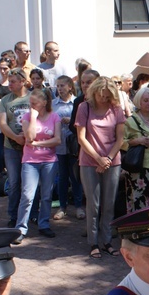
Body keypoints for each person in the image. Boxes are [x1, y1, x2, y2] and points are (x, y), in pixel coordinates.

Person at [76, 76, 126, 259]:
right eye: (101, 95)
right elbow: (81, 138)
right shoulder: (84, 107)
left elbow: (120, 138)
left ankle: (107, 241)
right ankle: (93, 242)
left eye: (107, 96)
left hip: (112, 161)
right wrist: (98, 159)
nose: (104, 99)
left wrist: (108, 158)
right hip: (89, 161)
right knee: (93, 204)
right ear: (94, 92)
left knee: (109, 204)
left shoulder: (116, 109)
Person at [13, 88, 61, 244]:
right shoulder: (27, 117)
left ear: (44, 102)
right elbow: (30, 137)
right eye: (30, 103)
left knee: (46, 195)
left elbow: (57, 140)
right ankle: (20, 228)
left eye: (35, 103)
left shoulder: (54, 117)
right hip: (30, 161)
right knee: (27, 195)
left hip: (49, 160)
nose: (31, 105)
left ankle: (44, 224)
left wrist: (39, 143)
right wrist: (33, 118)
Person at [0, 68, 32, 227]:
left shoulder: (33, 97)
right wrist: (16, 138)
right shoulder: (5, 100)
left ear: (23, 81)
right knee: (14, 182)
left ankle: (32, 214)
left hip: (32, 147)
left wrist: (29, 138)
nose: (9, 84)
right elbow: (3, 124)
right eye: (9, 81)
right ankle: (13, 215)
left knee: (30, 183)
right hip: (11, 147)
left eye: (12, 81)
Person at [52, 75, 84, 221]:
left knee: (76, 176)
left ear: (70, 86)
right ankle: (62, 206)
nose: (60, 89)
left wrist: (71, 121)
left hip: (74, 146)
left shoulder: (76, 103)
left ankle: (78, 206)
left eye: (62, 86)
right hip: (59, 147)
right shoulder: (53, 104)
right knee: (62, 177)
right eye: (58, 86)